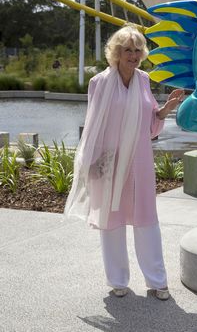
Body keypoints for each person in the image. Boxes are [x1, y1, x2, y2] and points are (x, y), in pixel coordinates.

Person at [65, 25, 184, 299]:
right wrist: (90, 162)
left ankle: (157, 281)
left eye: (137, 50)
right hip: (109, 161)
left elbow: (151, 126)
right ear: (116, 53)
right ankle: (118, 280)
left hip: (139, 162)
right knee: (112, 222)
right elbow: (93, 125)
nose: (133, 54)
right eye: (127, 50)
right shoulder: (99, 83)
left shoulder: (144, 80)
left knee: (146, 220)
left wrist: (165, 110)